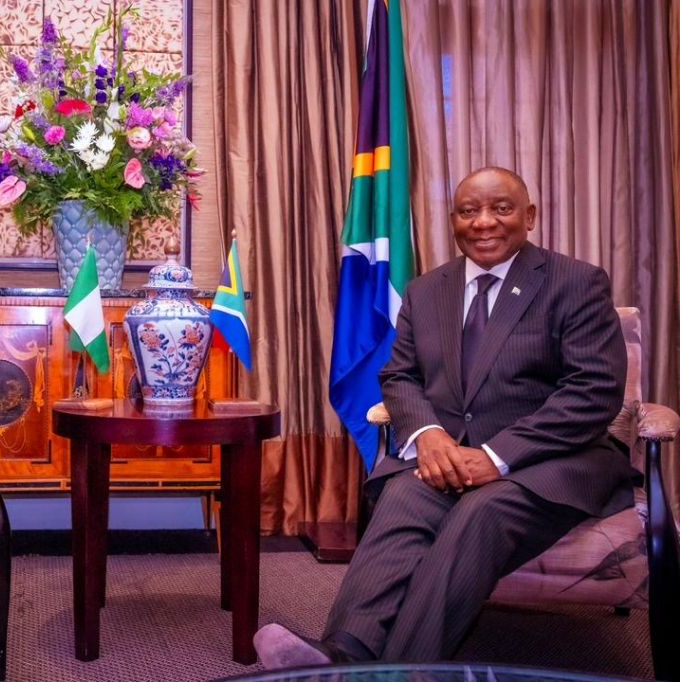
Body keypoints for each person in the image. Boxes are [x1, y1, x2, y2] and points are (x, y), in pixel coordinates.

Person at [255, 167, 634, 666]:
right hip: (446, 456)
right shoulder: (426, 291)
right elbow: (400, 376)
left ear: (530, 217)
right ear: (452, 219)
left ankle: (406, 671)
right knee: (404, 496)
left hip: (552, 460)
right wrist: (429, 436)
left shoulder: (576, 283)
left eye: (501, 208)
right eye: (468, 211)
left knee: (481, 513)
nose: (483, 222)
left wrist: (496, 457)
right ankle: (343, 653)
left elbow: (592, 392)